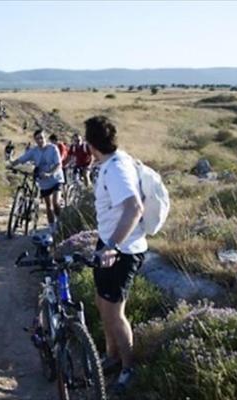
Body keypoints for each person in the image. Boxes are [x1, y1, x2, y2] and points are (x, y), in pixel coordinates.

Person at [84, 115, 147, 395]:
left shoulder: (117, 169)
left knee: (114, 313)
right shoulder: (113, 162)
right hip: (108, 244)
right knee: (101, 302)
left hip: (121, 250)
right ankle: (112, 357)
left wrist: (112, 246)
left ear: (91, 145)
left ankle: (128, 368)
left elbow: (134, 208)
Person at [9, 129, 64, 234]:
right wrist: (11, 164)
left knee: (55, 202)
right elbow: (22, 159)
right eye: (37, 138)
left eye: (41, 138)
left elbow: (58, 164)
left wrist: (50, 173)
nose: (40, 140)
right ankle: (52, 228)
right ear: (35, 140)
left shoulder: (53, 148)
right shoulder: (34, 151)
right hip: (44, 182)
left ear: (45, 138)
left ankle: (60, 222)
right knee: (48, 205)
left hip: (56, 179)